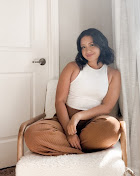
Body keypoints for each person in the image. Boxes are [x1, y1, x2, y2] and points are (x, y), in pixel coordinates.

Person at [24, 28, 123, 157]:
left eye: (91, 45)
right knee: (32, 134)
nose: (87, 50)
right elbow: (60, 101)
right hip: (64, 120)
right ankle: (83, 150)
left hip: (93, 123)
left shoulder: (113, 74)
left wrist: (79, 117)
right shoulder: (72, 67)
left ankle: (67, 148)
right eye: (83, 47)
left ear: (101, 45)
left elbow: (107, 107)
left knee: (112, 127)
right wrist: (69, 132)